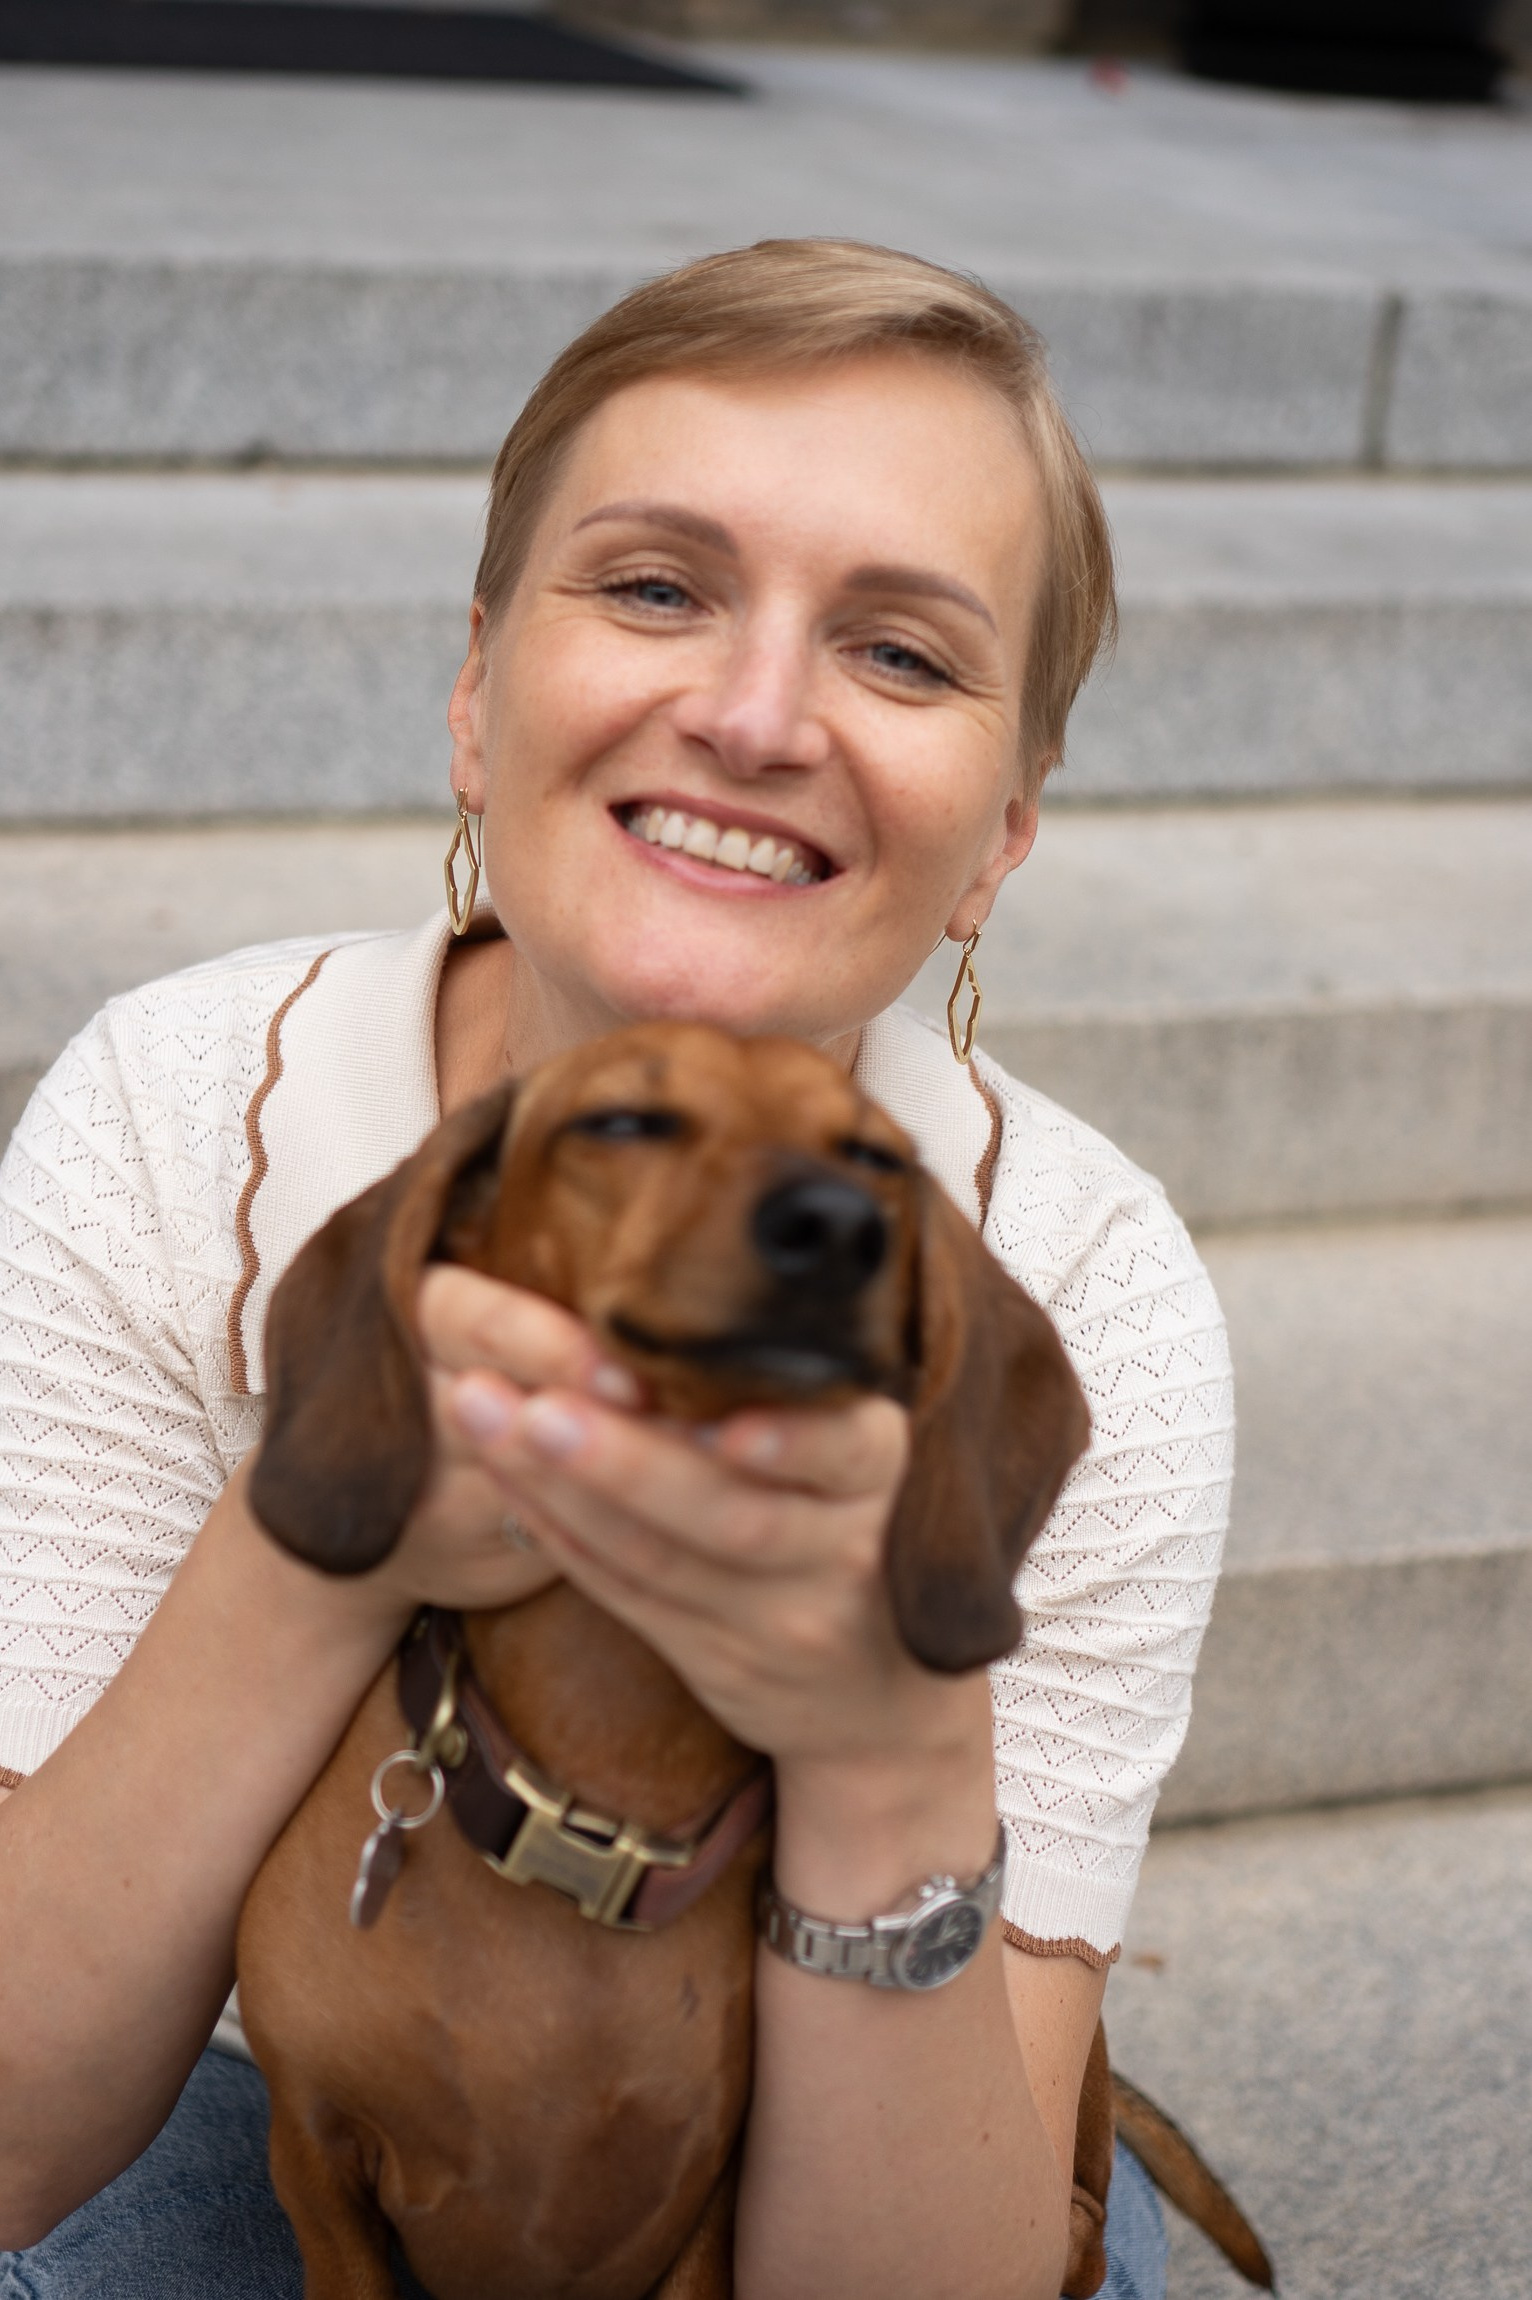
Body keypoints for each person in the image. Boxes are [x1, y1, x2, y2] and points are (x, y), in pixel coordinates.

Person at [0, 239, 1230, 2300]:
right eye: (656, 587)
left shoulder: (1075, 1290)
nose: (752, 716)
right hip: (256, 2101)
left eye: (901, 652)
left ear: (1006, 831)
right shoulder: (180, 1113)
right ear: (475, 697)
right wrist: (344, 1522)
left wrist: (887, 1740)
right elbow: (15, 2145)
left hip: (832, 2121)